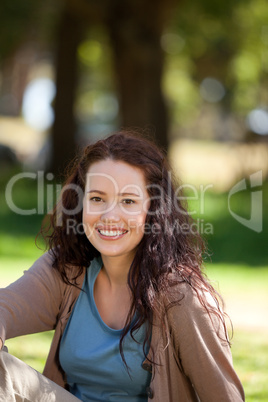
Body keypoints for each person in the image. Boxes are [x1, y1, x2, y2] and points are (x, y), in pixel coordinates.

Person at [0, 131, 245, 401]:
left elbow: (225, 397)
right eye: (97, 198)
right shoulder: (67, 269)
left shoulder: (182, 297)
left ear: (154, 210)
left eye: (128, 201)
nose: (110, 216)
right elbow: (6, 307)